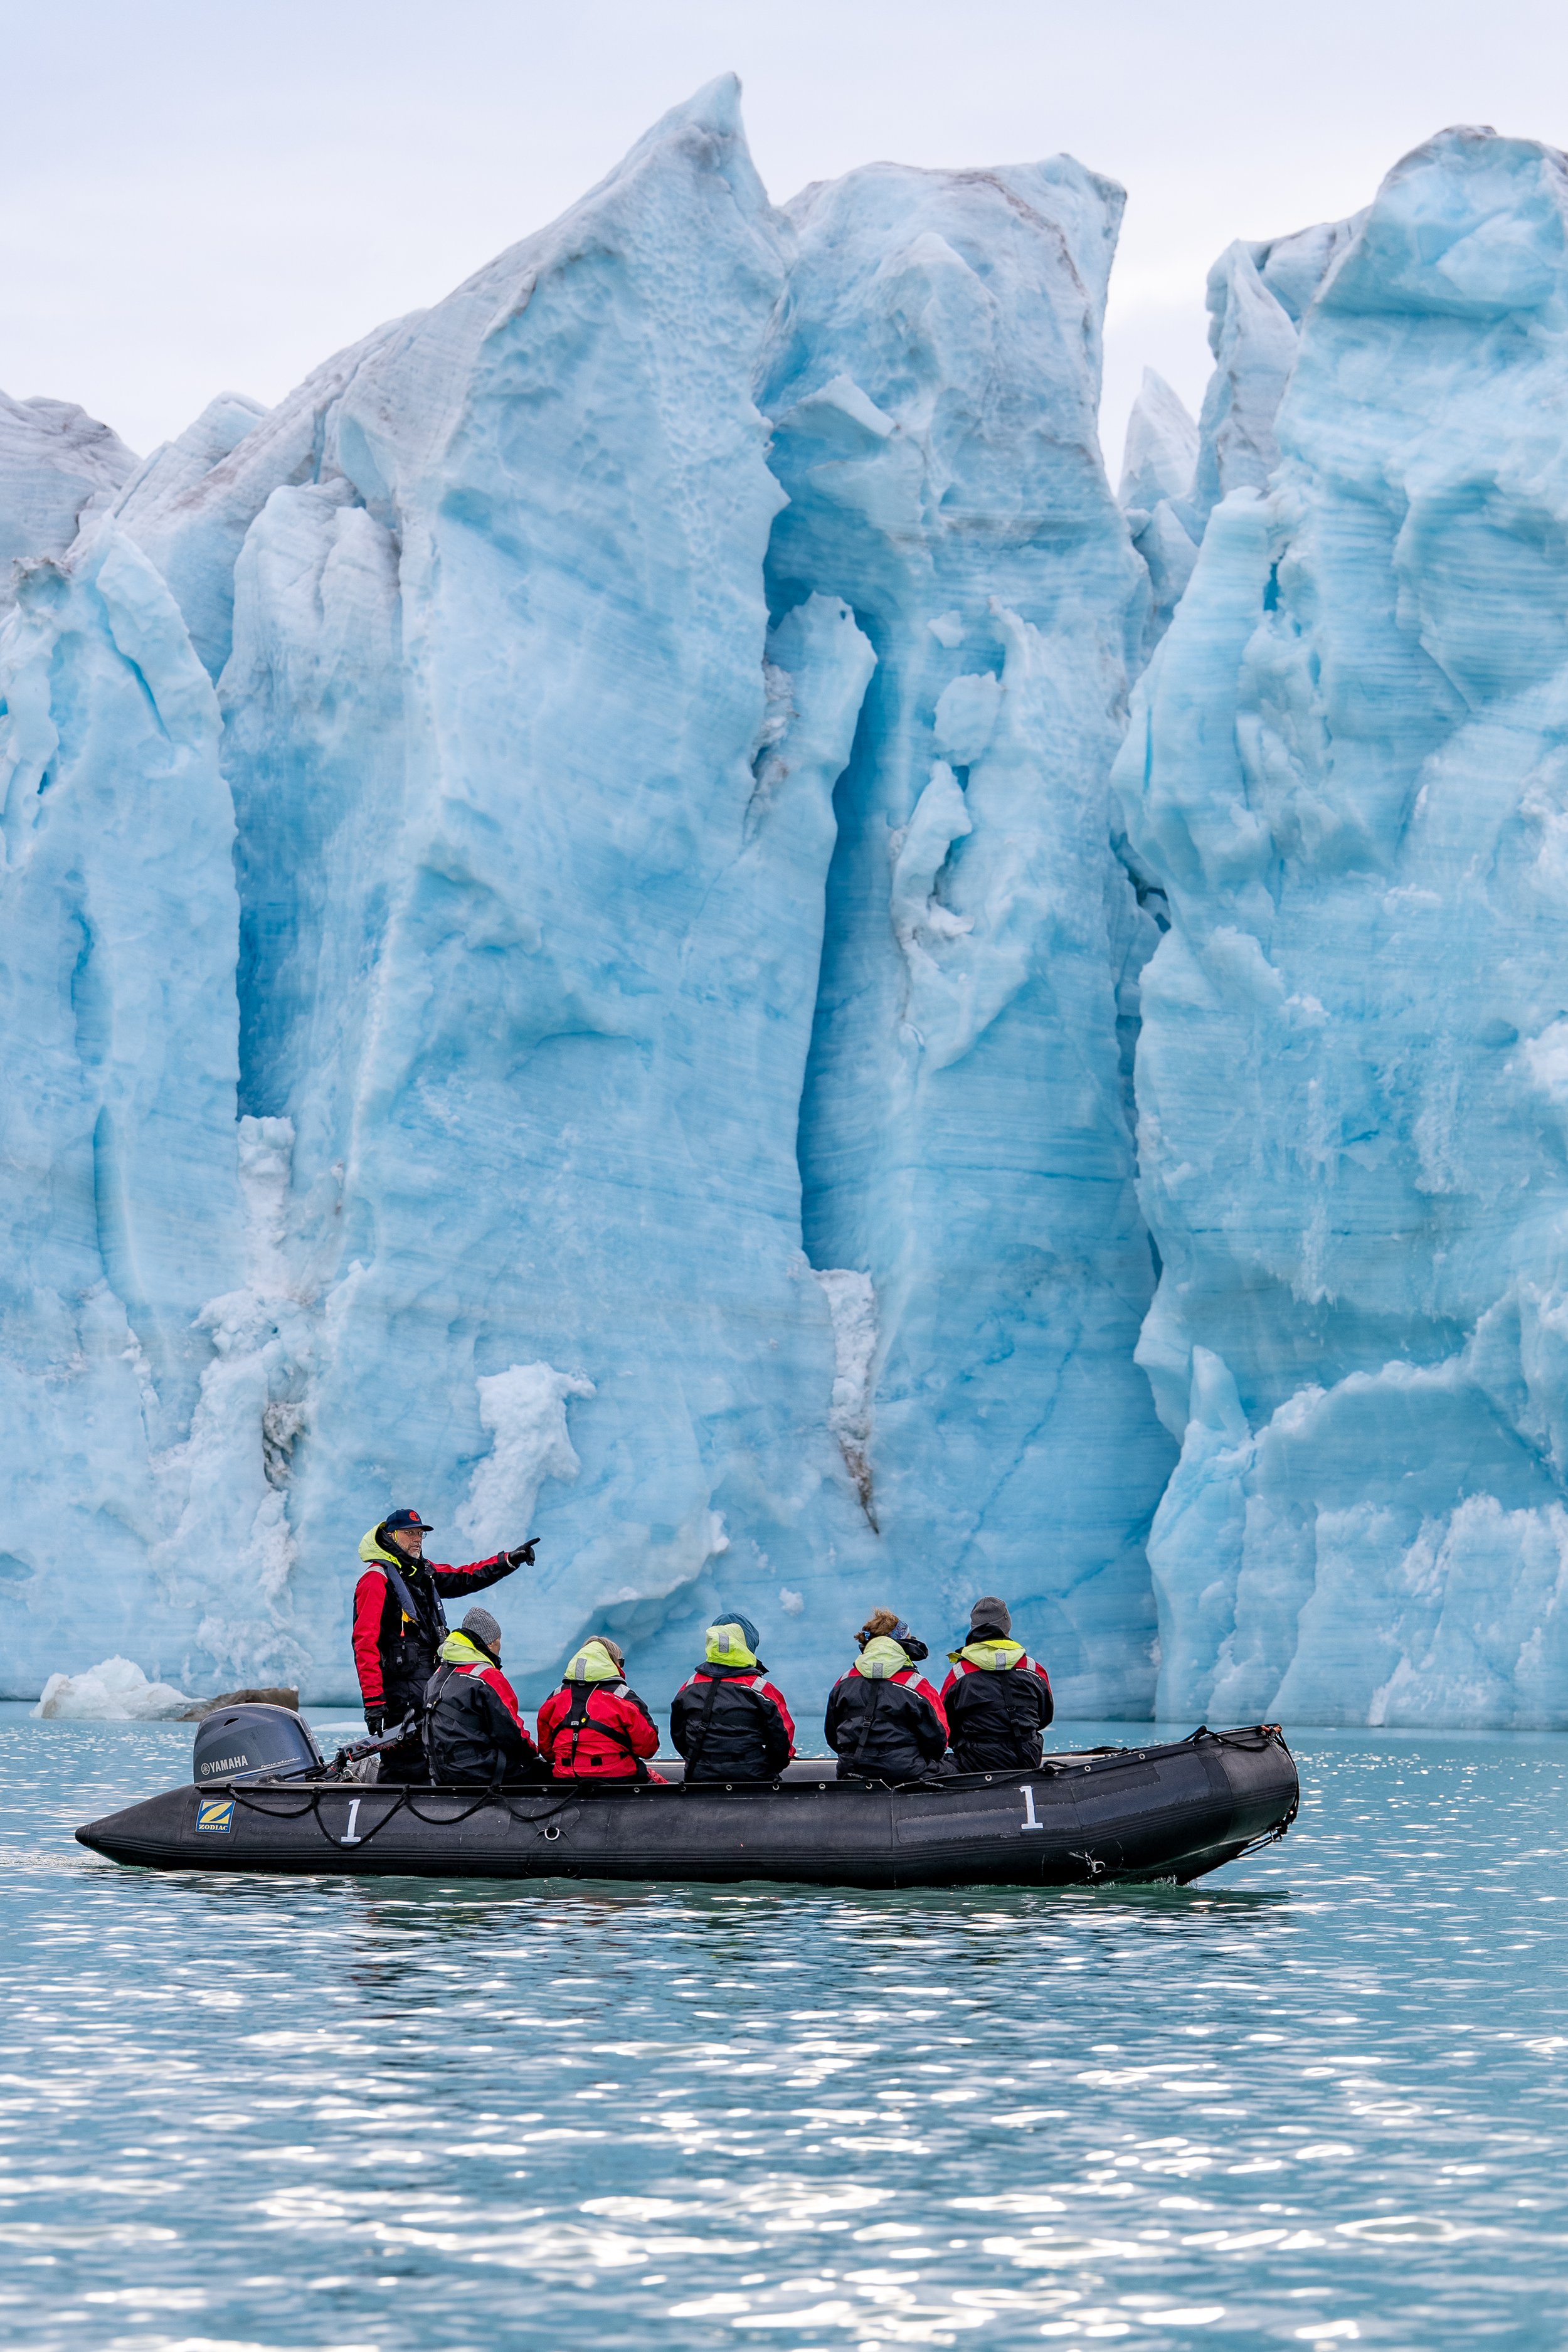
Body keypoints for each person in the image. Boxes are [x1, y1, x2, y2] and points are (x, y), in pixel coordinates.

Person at [353, 1507, 536, 1781]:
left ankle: (433, 1813)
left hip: (429, 1682)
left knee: (429, 1754)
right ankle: (392, 1813)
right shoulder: (375, 1580)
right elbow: (364, 1643)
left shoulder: (423, 1571)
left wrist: (509, 1561)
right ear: (391, 1536)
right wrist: (374, 1701)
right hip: (399, 1691)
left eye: (420, 1534)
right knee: (403, 1759)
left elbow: (466, 1576)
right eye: (409, 1533)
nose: (417, 1539)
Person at [423, 1607, 548, 1786]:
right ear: (490, 1644)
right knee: (542, 1772)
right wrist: (536, 1757)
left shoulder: (437, 1674)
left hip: (440, 1772)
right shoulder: (487, 1677)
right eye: (499, 1641)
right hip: (478, 1772)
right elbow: (512, 1733)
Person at [824, 1608, 948, 1784]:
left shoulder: (843, 1681)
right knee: (955, 1771)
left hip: (851, 1769)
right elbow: (939, 1740)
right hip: (906, 1771)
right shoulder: (917, 1685)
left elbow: (832, 1734)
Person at [669, 1612, 796, 1783]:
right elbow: (783, 1742)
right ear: (747, 1645)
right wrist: (769, 1767)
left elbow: (679, 1736)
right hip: (754, 1778)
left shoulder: (689, 1687)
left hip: (700, 1777)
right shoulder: (762, 1689)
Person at [940, 1596, 1054, 1773]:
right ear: (1007, 1625)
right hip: (1028, 1757)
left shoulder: (959, 1673)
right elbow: (1045, 1716)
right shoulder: (1032, 1667)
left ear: (974, 1628)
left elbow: (944, 1724)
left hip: (976, 1761)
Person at [536, 1636, 661, 1782]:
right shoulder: (624, 1697)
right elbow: (647, 1749)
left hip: (565, 1777)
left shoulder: (555, 1699)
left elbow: (548, 1753)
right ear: (612, 1663)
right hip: (618, 1777)